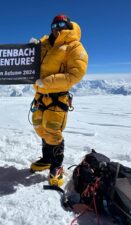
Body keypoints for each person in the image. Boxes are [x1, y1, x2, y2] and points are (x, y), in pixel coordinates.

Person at [29, 14, 88, 186]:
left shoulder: (74, 46)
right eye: (54, 24)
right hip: (40, 96)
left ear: (68, 25)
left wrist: (46, 82)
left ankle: (57, 166)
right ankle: (47, 158)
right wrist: (31, 49)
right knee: (39, 126)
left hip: (57, 96)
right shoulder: (45, 44)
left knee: (53, 130)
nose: (57, 27)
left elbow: (75, 74)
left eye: (61, 24)